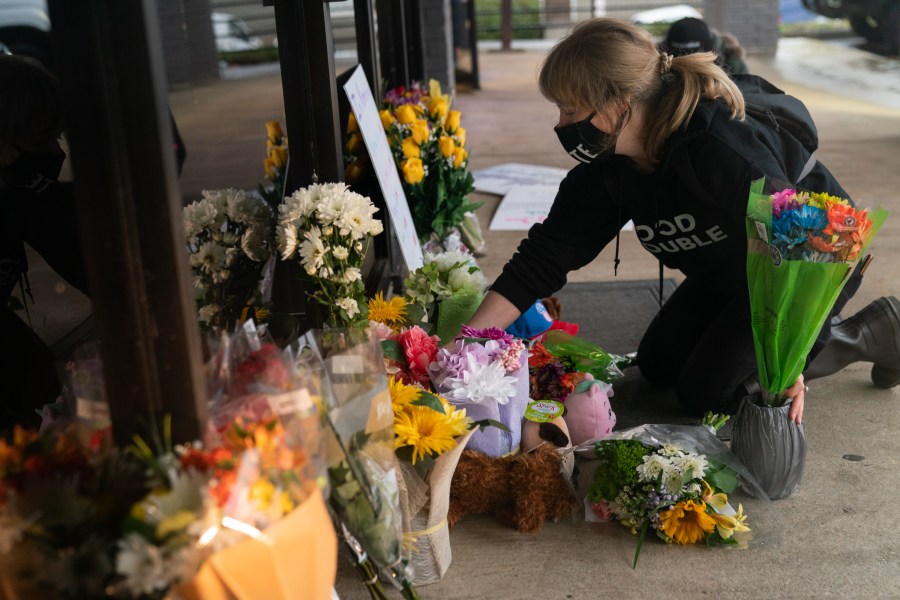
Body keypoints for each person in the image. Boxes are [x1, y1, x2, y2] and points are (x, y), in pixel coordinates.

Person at [465, 18, 900, 425]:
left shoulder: (720, 151)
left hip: (812, 266)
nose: (560, 125)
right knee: (658, 366)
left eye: (571, 111)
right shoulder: (608, 171)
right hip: (731, 272)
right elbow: (541, 259)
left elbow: (808, 249)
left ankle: (862, 334)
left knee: (707, 395)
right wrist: (462, 345)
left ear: (619, 104)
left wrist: (792, 356)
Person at [0, 54, 89, 431]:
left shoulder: (22, 196)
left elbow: (88, 262)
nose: (56, 153)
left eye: (56, 137)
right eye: (41, 139)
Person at [662, 16, 749, 76]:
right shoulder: (657, 62)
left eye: (698, 63)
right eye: (680, 63)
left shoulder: (732, 63)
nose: (690, 71)